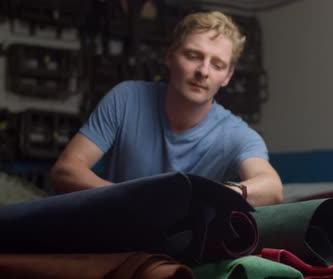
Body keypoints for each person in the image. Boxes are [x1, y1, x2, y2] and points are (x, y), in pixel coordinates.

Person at [51, 11, 283, 207]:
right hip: (116, 233)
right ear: (170, 56)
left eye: (217, 64)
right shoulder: (126, 98)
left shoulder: (235, 135)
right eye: (193, 56)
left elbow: (272, 188)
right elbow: (65, 171)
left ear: (227, 77)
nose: (203, 71)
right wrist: (133, 198)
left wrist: (223, 194)